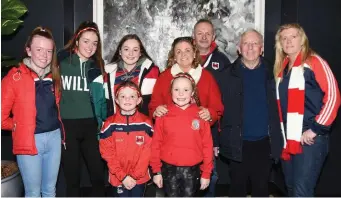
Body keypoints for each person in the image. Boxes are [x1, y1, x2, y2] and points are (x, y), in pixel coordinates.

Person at [274, 23, 340, 197]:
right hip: (288, 138)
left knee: (301, 192)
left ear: (302, 39)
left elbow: (333, 96)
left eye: (293, 37)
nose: (288, 41)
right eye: (284, 38)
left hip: (310, 138)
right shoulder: (283, 68)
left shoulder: (314, 61)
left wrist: (315, 129)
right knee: (290, 188)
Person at [217, 29, 284, 197]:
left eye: (254, 43)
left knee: (261, 189)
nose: (250, 47)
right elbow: (217, 111)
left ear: (261, 49)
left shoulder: (275, 73)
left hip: (265, 144)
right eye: (246, 43)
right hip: (237, 143)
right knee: (237, 190)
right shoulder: (225, 76)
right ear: (239, 48)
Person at [1, 27, 63, 197]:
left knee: (50, 190)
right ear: (28, 50)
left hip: (54, 139)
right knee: (33, 193)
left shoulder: (55, 76)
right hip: (29, 142)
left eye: (49, 51)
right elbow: (1, 118)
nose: (44, 55)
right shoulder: (14, 78)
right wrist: (19, 126)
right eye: (39, 50)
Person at [58, 21, 105, 197]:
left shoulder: (97, 67)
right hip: (67, 126)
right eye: (86, 41)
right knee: (72, 179)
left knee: (98, 176)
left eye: (94, 43)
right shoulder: (61, 61)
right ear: (77, 41)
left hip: (91, 127)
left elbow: (101, 101)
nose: (90, 46)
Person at [150, 73, 213, 196]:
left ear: (192, 92)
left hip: (193, 170)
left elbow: (207, 146)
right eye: (176, 89)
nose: (181, 93)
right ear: (171, 91)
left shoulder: (201, 115)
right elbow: (155, 144)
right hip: (168, 170)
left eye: (186, 90)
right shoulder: (163, 115)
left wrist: (206, 173)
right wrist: (156, 171)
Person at [193, 18, 232, 196]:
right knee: (187, 174)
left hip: (211, 129)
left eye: (207, 33)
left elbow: (227, 100)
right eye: (200, 33)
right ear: (193, 36)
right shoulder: (185, 56)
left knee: (211, 175)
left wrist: (219, 134)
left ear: (214, 36)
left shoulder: (222, 60)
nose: (203, 37)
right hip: (186, 128)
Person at [149, 36, 223, 126]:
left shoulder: (207, 77)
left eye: (187, 50)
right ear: (174, 57)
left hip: (199, 132)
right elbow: (154, 106)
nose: (183, 54)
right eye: (179, 52)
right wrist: (157, 110)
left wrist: (210, 114)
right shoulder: (164, 77)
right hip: (170, 131)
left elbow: (216, 108)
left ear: (194, 54)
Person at [99, 81, 153, 197]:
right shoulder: (109, 124)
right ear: (117, 100)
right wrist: (122, 176)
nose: (127, 100)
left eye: (132, 96)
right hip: (117, 178)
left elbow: (147, 152)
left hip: (139, 178)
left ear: (138, 100)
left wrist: (134, 176)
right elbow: (107, 153)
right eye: (123, 96)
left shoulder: (146, 123)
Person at [105, 34, 159, 117]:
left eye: (135, 50)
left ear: (140, 52)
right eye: (126, 49)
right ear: (120, 51)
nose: (131, 53)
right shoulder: (108, 73)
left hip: (142, 125)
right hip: (115, 126)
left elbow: (158, 101)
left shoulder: (152, 72)